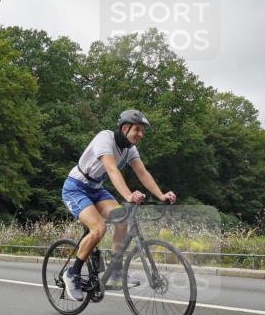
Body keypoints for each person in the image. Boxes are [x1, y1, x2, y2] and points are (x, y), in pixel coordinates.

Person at [60, 109, 177, 301]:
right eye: (137, 130)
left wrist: (161, 195)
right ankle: (72, 273)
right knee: (99, 229)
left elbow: (143, 173)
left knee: (122, 218)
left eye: (142, 131)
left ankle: (116, 271)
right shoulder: (104, 139)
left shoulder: (130, 149)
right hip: (76, 188)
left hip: (96, 190)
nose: (141, 134)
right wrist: (129, 195)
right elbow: (112, 170)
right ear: (125, 128)